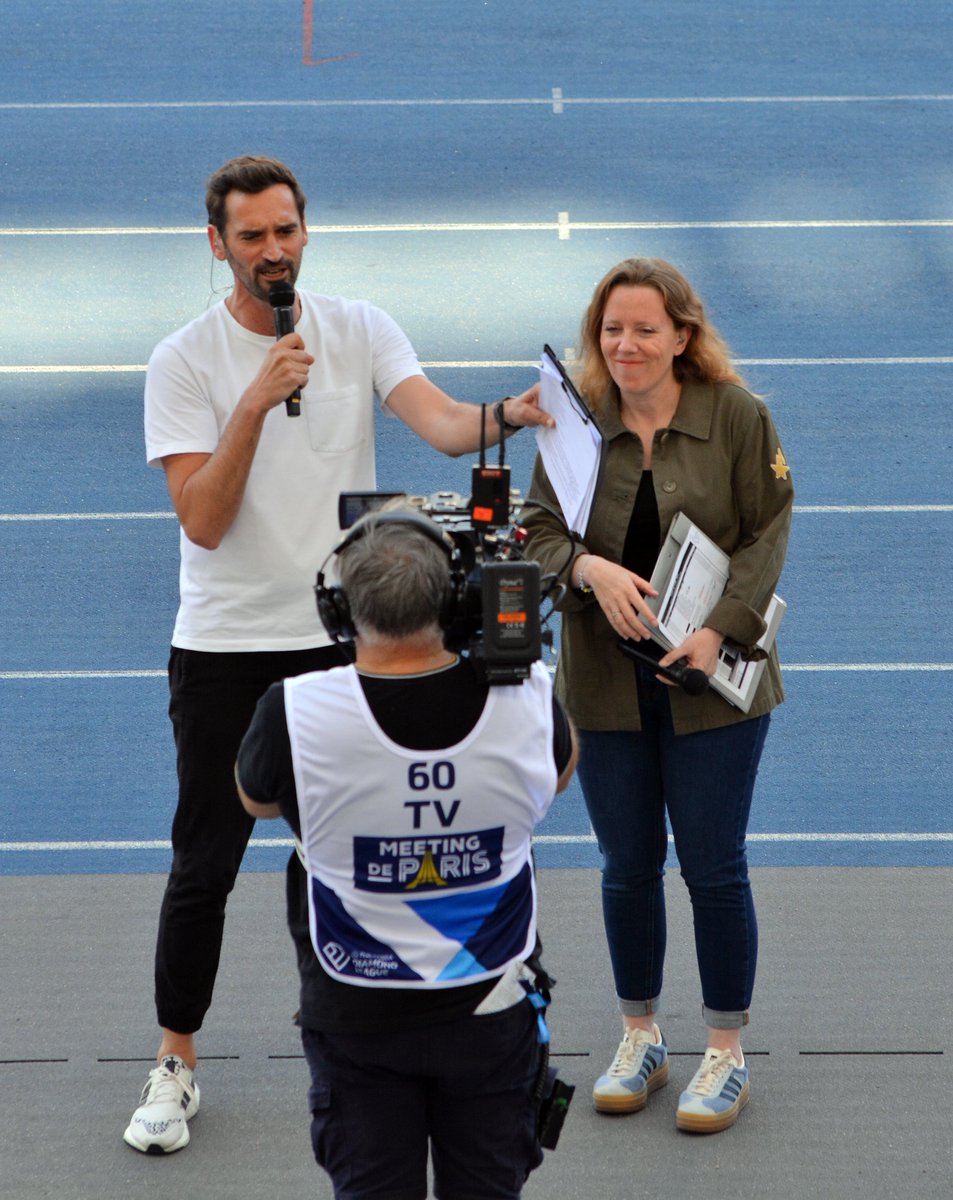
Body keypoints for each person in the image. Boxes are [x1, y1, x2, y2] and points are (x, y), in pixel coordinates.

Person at [123, 154, 553, 1155]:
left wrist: (511, 414)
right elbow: (203, 517)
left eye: (286, 230)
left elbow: (443, 424)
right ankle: (174, 1060)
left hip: (342, 641)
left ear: (304, 231)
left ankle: (343, 1022)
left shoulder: (358, 327)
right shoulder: (182, 361)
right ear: (217, 244)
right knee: (205, 861)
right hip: (227, 648)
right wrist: (251, 402)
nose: (272, 251)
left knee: (344, 843)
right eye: (251, 236)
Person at [521, 256, 793, 1134]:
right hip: (604, 684)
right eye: (612, 329)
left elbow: (766, 531)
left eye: (645, 329)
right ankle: (639, 1034)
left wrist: (719, 628)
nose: (626, 344)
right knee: (626, 869)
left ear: (682, 334)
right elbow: (534, 530)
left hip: (711, 684)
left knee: (714, 868)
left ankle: (724, 1050)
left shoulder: (738, 417)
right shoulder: (571, 421)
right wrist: (588, 566)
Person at [235, 511, 578, 1199]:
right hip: (492, 1006)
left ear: (337, 607)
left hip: (357, 1014)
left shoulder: (291, 712)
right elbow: (560, 770)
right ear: (452, 602)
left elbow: (256, 801)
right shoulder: (529, 700)